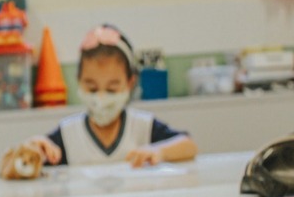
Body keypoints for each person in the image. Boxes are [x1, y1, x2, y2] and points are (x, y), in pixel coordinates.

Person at [22, 24, 198, 168]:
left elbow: (188, 145)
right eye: (91, 88)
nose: (100, 98)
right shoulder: (69, 133)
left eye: (112, 89)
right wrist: (34, 147)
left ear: (130, 83)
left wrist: (159, 152)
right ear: (79, 81)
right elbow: (36, 155)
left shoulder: (142, 126)